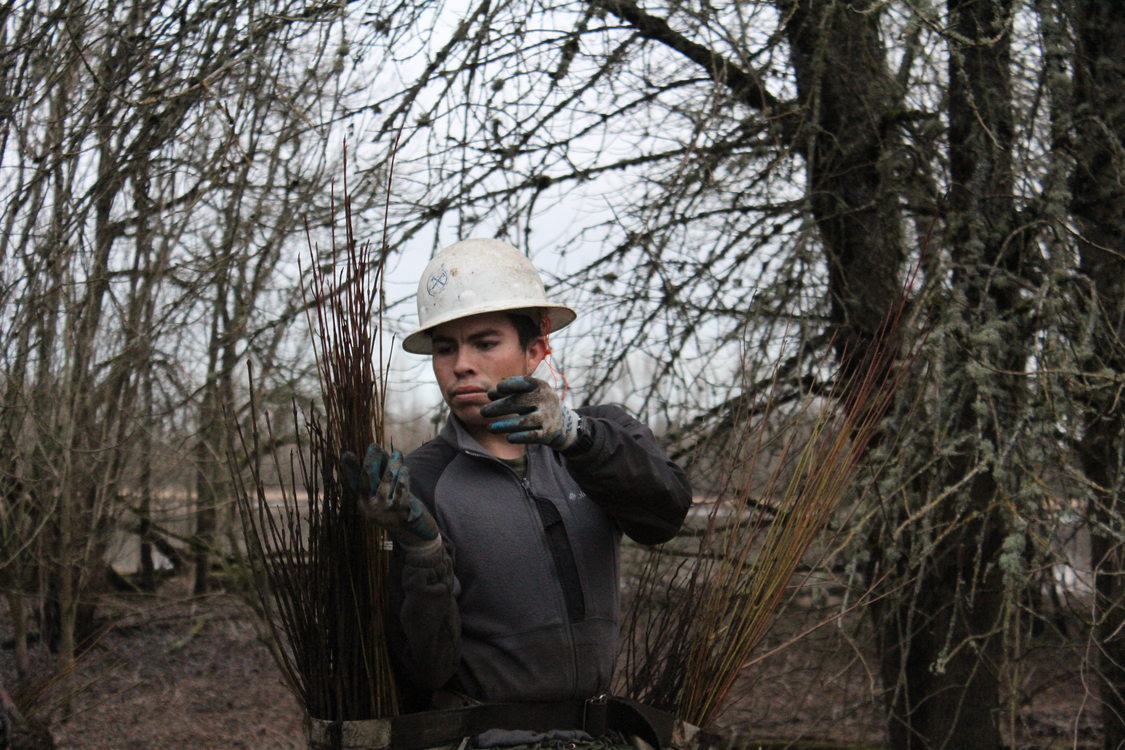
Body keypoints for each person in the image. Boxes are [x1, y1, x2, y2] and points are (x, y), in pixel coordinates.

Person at [346, 238, 692, 747]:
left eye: (484, 343)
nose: (461, 364)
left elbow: (664, 517)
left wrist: (576, 435)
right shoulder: (418, 484)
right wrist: (421, 553)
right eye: (445, 348)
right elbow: (423, 669)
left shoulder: (596, 442)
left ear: (535, 350)